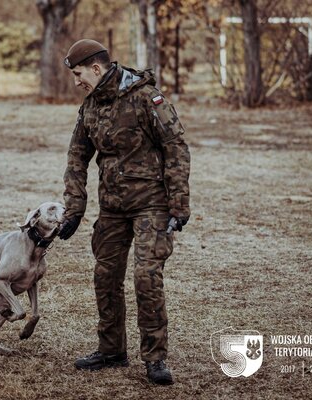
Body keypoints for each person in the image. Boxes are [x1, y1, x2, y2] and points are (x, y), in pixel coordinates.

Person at [58, 39, 190, 385]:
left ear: (96, 69)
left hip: (152, 205)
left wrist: (178, 202)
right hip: (112, 208)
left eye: (79, 74)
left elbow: (175, 146)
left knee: (146, 277)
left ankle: (156, 358)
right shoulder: (90, 107)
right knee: (105, 276)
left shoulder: (146, 97)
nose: (77, 82)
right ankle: (111, 349)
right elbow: (76, 157)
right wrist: (74, 208)